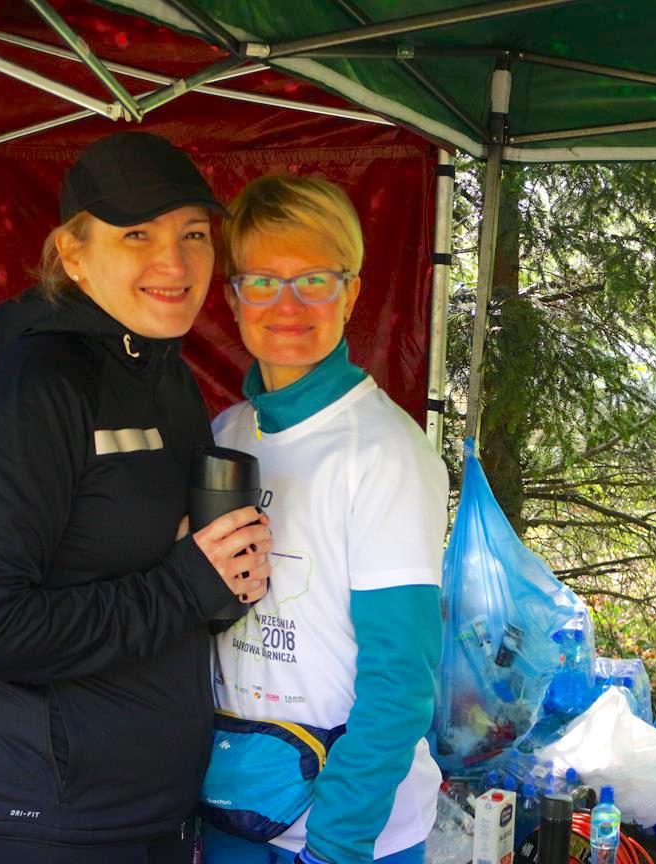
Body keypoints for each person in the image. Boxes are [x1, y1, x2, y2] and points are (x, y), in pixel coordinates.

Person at [0, 132, 272, 863]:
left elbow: (160, 577)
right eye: (137, 234)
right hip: (53, 817)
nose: (174, 262)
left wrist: (224, 579)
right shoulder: (36, 389)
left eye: (193, 234)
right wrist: (185, 585)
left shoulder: (166, 376)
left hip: (157, 807)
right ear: (74, 254)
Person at [200, 174, 448, 864]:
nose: (288, 305)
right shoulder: (227, 434)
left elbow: (400, 679)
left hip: (347, 833)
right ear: (233, 298)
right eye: (263, 282)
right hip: (236, 809)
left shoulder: (385, 452)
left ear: (352, 293)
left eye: (315, 280)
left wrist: (337, 845)